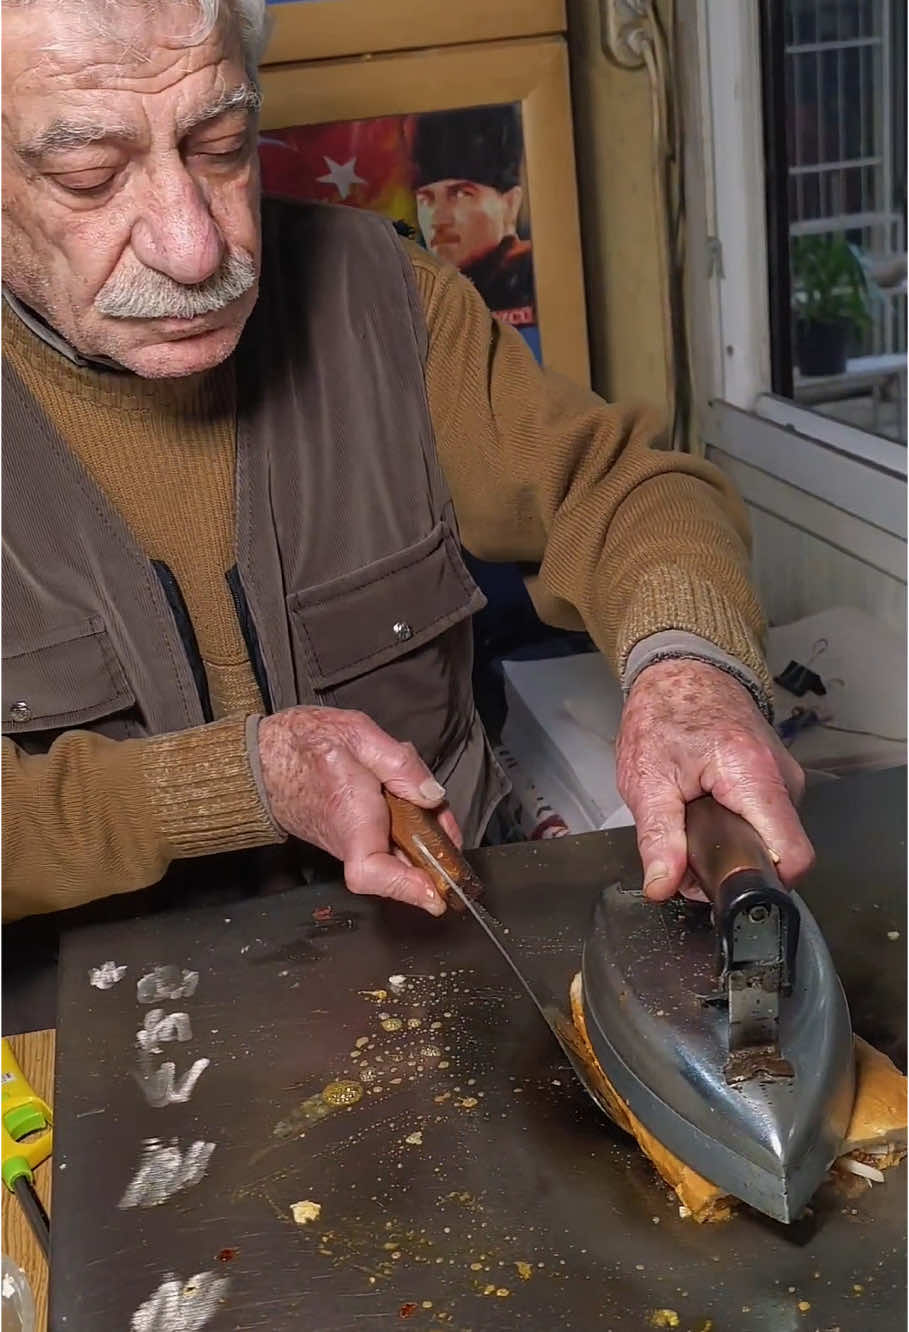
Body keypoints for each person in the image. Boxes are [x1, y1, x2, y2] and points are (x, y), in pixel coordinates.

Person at [1, 0, 813, 925]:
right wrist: (235, 782)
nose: (194, 248)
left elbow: (623, 489)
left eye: (222, 147)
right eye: (88, 176)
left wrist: (690, 673)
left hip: (442, 948)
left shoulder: (385, 300)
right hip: (85, 1025)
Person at [412, 106, 535, 322]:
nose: (437, 219)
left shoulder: (538, 276)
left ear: (510, 204)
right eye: (425, 200)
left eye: (461, 194)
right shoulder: (420, 295)